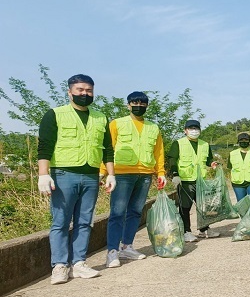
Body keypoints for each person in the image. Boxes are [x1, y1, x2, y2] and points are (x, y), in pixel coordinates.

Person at [38, 74, 116, 285]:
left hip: (91, 175)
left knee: (85, 221)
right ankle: (60, 266)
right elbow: (44, 146)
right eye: (80, 90)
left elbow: (108, 149)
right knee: (61, 221)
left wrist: (111, 174)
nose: (84, 94)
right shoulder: (55, 114)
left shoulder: (101, 117)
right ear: (70, 91)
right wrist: (43, 174)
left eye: (88, 90)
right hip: (64, 174)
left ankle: (79, 263)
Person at [103, 91, 166, 268]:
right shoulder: (117, 124)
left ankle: (127, 246)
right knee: (117, 213)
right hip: (122, 174)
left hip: (145, 173)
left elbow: (158, 151)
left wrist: (160, 172)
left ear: (147, 106)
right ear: (128, 105)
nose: (138, 106)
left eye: (142, 103)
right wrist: (106, 173)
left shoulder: (154, 128)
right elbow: (107, 148)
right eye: (135, 103)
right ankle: (112, 251)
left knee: (136, 212)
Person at [167, 119, 220, 242]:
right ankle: (186, 231)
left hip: (201, 180)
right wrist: (175, 174)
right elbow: (172, 159)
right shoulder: (178, 143)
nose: (194, 131)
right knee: (185, 207)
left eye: (196, 128)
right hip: (185, 180)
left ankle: (204, 229)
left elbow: (208, 159)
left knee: (203, 206)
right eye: (191, 128)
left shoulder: (205, 144)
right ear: (185, 130)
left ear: (200, 130)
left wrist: (212, 163)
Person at [228, 132, 250, 212]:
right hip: (238, 183)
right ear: (238, 142)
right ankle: (245, 222)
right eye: (241, 140)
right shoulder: (232, 154)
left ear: (249, 141)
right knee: (241, 204)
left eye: (246, 140)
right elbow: (230, 168)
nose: (244, 142)